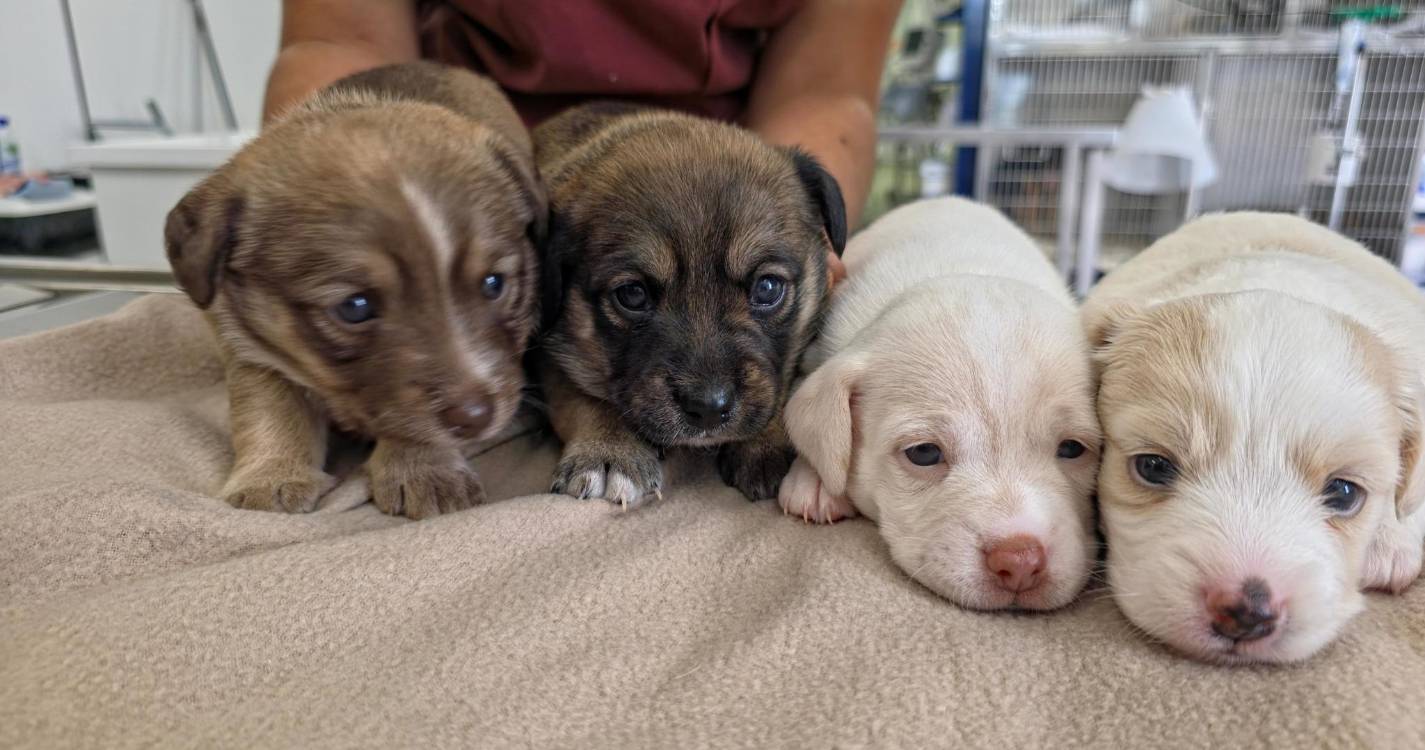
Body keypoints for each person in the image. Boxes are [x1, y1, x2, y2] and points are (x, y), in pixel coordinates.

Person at [262, 0, 902, 230]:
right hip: (456, 187)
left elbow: (824, 90)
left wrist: (785, 238)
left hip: (715, 192)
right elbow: (345, 43)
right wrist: (318, 201)